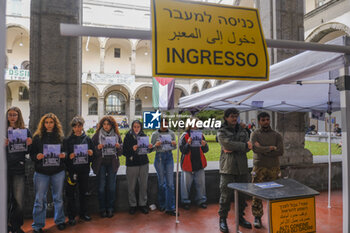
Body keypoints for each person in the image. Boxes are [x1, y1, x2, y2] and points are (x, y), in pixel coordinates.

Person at [217, 108, 252, 233]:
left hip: (242, 167)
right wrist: (242, 146)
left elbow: (249, 146)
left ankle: (240, 217)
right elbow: (227, 144)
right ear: (226, 117)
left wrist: (237, 146)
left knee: (242, 195)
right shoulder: (222, 131)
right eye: (232, 116)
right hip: (228, 167)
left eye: (236, 116)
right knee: (225, 195)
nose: (234, 119)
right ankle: (222, 219)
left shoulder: (242, 130)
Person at [30, 113, 66, 232]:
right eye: (46, 122)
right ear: (43, 124)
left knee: (58, 198)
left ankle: (60, 220)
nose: (49, 125)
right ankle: (38, 225)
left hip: (58, 171)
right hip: (41, 172)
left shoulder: (60, 137)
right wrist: (37, 156)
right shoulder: (37, 137)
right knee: (39, 199)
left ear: (55, 124)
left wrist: (64, 155)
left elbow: (66, 151)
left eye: (51, 122)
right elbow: (32, 154)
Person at [250, 112, 284, 229]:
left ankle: (275, 215)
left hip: (274, 167)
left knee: (275, 192)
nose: (266, 122)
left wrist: (262, 150)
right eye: (263, 120)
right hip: (259, 167)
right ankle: (257, 217)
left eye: (267, 119)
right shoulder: (255, 134)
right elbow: (254, 149)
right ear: (259, 121)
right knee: (257, 193)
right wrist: (270, 148)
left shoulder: (276, 135)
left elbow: (280, 151)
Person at [64, 116, 95, 225]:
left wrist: (91, 154)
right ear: (72, 127)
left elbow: (92, 157)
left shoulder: (88, 139)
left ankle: (83, 213)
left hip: (84, 170)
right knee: (71, 194)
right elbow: (64, 156)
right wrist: (69, 156)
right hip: (72, 171)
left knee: (84, 193)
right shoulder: (67, 140)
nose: (77, 128)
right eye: (75, 126)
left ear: (82, 126)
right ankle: (71, 216)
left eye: (79, 126)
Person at [5, 107, 32, 233]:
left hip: (18, 168)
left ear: (18, 116)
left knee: (18, 200)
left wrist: (29, 143)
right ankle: (5, 224)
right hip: (3, 169)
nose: (12, 117)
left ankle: (16, 226)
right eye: (10, 114)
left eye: (15, 115)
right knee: (4, 199)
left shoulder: (25, 131)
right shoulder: (2, 131)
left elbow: (29, 152)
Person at [92, 116, 122, 218]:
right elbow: (91, 152)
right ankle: (102, 209)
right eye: (104, 124)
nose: (106, 126)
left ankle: (110, 208)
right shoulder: (96, 136)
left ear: (112, 125)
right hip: (101, 164)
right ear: (101, 125)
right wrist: (97, 148)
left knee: (111, 188)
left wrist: (119, 147)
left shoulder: (117, 136)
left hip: (112, 164)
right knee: (101, 188)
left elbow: (121, 152)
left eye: (108, 124)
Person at [123, 120, 152, 215]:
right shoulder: (128, 136)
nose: (136, 128)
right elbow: (124, 152)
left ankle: (142, 204)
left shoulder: (144, 136)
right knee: (131, 186)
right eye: (134, 127)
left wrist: (150, 147)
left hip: (143, 163)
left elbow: (148, 151)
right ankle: (133, 205)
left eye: (138, 127)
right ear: (132, 127)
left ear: (141, 127)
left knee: (143, 185)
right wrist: (132, 149)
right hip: (132, 164)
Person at [180, 118, 208, 210]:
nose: (196, 125)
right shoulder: (184, 135)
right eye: (194, 123)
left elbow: (206, 150)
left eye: (197, 123)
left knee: (201, 184)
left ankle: (201, 200)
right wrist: (188, 143)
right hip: (188, 163)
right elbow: (183, 150)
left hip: (199, 163)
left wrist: (205, 145)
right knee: (185, 185)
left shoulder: (201, 135)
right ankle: (185, 201)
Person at [151, 118, 177, 216]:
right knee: (162, 183)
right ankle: (162, 204)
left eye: (166, 123)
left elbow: (174, 147)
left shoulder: (171, 133)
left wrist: (174, 144)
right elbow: (151, 149)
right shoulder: (155, 134)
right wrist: (155, 145)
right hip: (159, 158)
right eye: (163, 124)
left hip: (169, 157)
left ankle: (171, 207)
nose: (165, 125)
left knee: (170, 184)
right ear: (160, 124)